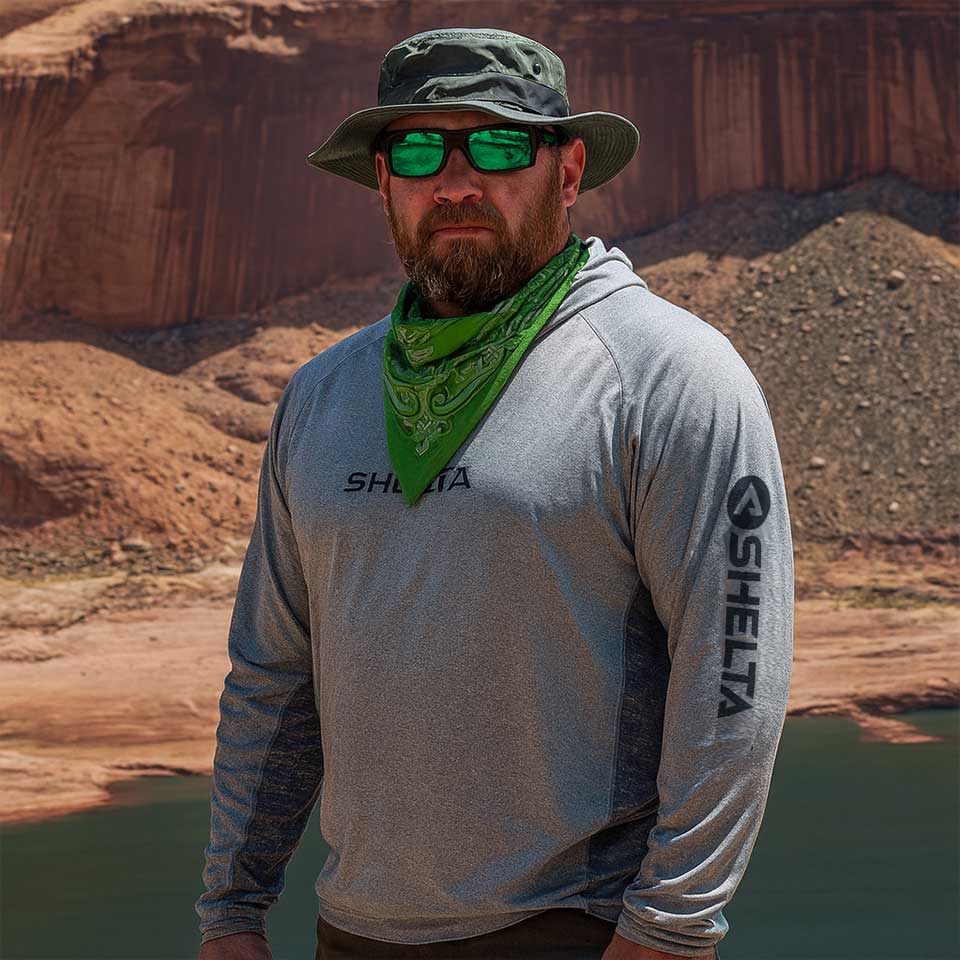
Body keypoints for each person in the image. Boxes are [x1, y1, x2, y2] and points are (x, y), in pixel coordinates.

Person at [195, 26, 794, 960]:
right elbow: (274, 675)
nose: (459, 180)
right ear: (384, 179)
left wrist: (671, 930)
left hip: (575, 927)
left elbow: (734, 674)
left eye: (501, 144)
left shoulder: (666, 374)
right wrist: (230, 911)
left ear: (567, 170)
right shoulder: (325, 395)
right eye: (423, 149)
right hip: (354, 930)